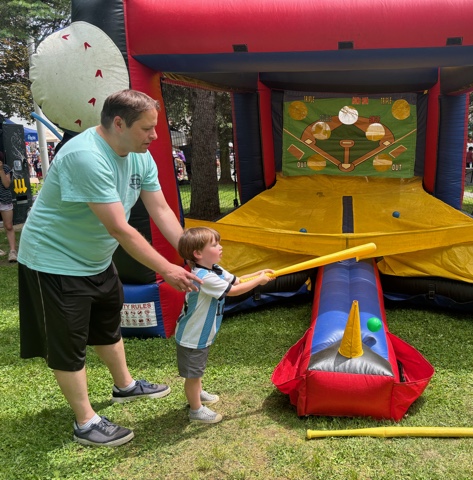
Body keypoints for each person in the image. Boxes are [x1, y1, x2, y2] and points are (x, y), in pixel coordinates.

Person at [17, 89, 203, 447]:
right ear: (119, 123)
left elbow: (161, 210)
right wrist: (167, 269)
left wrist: (190, 252)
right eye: (147, 128)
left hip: (96, 259)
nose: (154, 136)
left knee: (107, 322)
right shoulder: (86, 156)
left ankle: (125, 386)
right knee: (68, 341)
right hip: (53, 261)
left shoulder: (139, 156)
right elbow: (120, 228)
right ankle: (85, 422)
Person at [175, 227, 275, 424]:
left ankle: (198, 393)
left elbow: (237, 281)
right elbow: (234, 291)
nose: (220, 247)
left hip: (201, 333)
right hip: (192, 335)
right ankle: (196, 410)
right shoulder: (204, 277)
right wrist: (259, 281)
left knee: (197, 370)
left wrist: (258, 273)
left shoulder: (215, 269)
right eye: (214, 245)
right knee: (193, 375)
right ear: (198, 253)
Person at [0, 152, 18, 262]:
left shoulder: (6, 168)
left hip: (4, 199)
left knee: (9, 226)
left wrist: (1, 170)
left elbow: (6, 184)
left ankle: (12, 251)